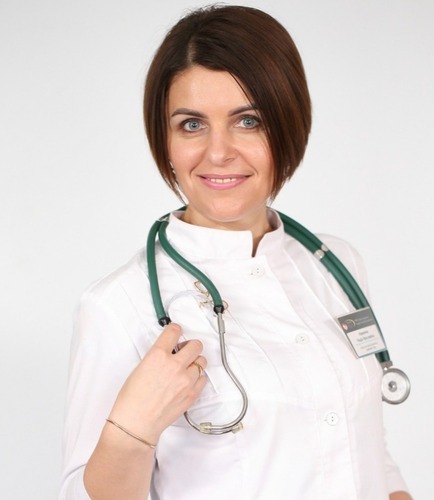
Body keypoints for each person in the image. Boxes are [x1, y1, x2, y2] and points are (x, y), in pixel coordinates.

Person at [60, 5, 412, 499]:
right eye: (191, 125)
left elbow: (367, 451)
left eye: (248, 121)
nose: (219, 152)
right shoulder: (120, 306)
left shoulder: (336, 266)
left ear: (289, 125)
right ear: (165, 140)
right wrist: (131, 431)